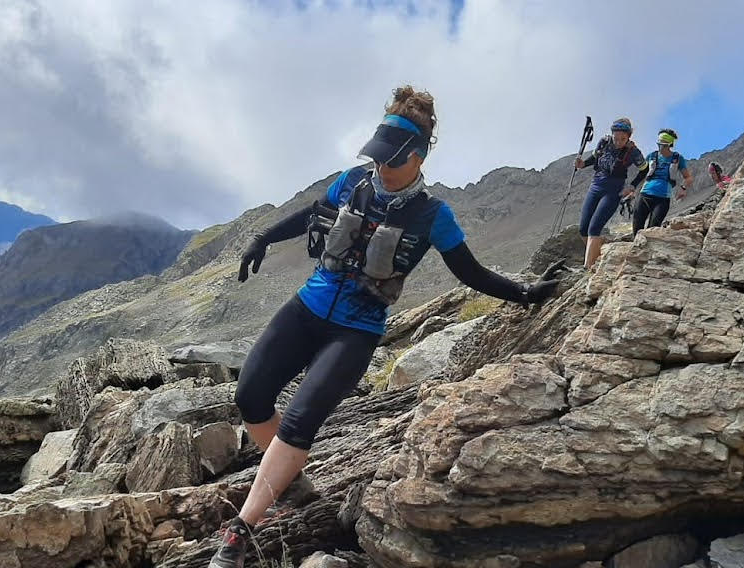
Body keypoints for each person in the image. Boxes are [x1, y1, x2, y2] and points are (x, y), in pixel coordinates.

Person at [210, 85, 567, 568]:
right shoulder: (354, 181)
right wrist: (262, 238)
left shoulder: (434, 215)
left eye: (393, 160)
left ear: (418, 157)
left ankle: (241, 533)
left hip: (356, 330)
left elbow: (470, 272)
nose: (382, 167)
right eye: (378, 157)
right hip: (307, 308)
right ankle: (289, 483)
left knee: (298, 423)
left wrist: (525, 294)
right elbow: (311, 213)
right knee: (250, 397)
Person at [574, 118, 648, 269]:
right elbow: (594, 157)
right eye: (616, 138)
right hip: (596, 186)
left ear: (628, 137)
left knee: (594, 228)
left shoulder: (633, 152)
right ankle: (599, 252)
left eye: (623, 139)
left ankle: (588, 267)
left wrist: (632, 186)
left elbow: (644, 169)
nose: (619, 141)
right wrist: (582, 164)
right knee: (583, 229)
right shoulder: (604, 142)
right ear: (612, 134)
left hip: (614, 190)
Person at [632, 128, 693, 236]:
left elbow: (688, 177)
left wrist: (683, 188)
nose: (661, 147)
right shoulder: (651, 156)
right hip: (644, 195)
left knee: (653, 230)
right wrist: (632, 190)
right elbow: (642, 174)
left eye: (664, 145)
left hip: (663, 199)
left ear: (670, 144)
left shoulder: (677, 158)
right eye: (659, 144)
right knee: (637, 228)